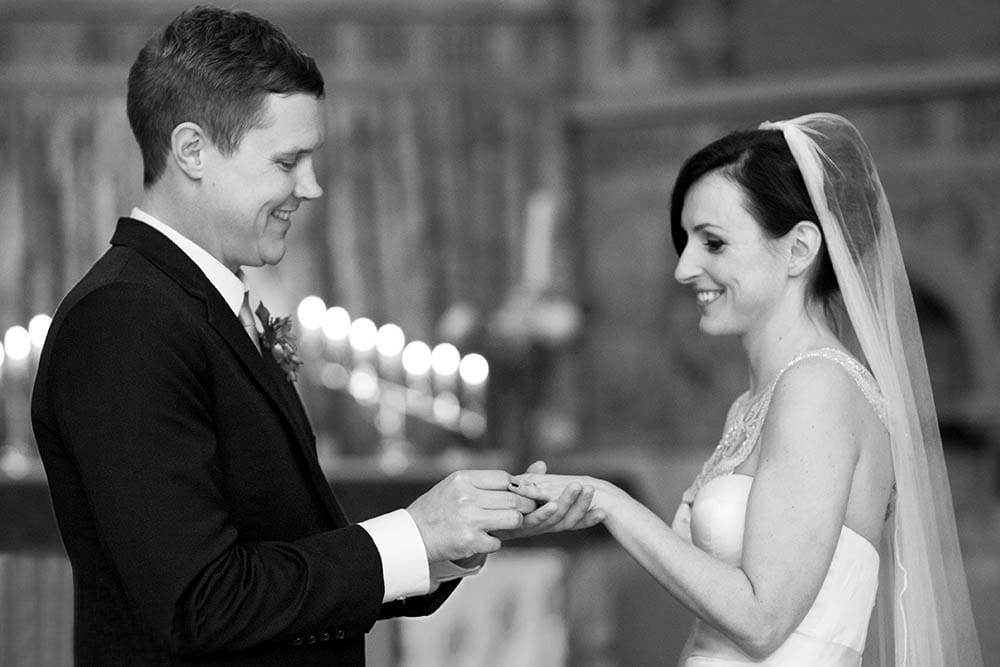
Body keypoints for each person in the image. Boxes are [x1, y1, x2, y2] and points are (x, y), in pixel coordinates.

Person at [30, 7, 596, 665]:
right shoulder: (125, 318)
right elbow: (198, 602)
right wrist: (415, 534)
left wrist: (454, 535)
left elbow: (288, 550)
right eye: (288, 161)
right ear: (192, 151)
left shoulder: (191, 305)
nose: (312, 186)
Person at [510, 113, 984, 665]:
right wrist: (579, 507)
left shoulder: (819, 388)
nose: (684, 268)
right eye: (685, 241)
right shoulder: (756, 401)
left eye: (712, 243)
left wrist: (612, 502)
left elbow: (762, 622)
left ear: (799, 249)